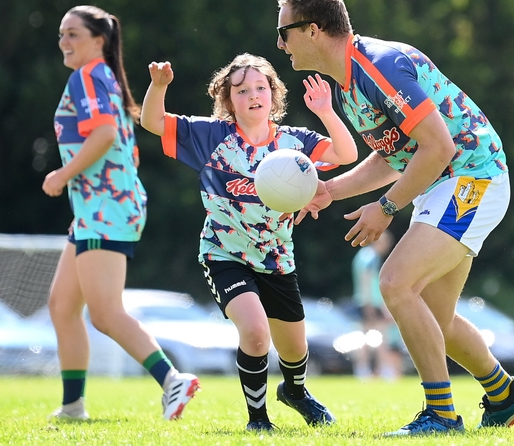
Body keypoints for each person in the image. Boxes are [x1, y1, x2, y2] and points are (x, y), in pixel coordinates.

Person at [278, 0, 514, 435]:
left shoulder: (378, 65)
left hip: (470, 176)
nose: (282, 45)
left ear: (313, 30)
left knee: (394, 283)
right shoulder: (347, 83)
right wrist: (330, 191)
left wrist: (385, 209)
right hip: (446, 181)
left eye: (283, 33)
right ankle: (505, 394)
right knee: (434, 317)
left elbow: (439, 147)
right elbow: (394, 157)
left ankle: (440, 415)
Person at [141, 53, 358, 431]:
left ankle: (295, 392)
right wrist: (159, 87)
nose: (253, 95)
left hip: (276, 258)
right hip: (224, 254)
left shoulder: (294, 142)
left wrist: (325, 110)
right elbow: (152, 122)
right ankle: (258, 420)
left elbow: (347, 153)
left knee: (294, 348)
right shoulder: (210, 136)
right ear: (228, 100)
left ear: (273, 96)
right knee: (256, 334)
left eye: (261, 88)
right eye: (242, 90)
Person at [42, 5, 200, 421]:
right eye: (61, 34)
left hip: (104, 208)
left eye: (72, 34)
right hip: (99, 208)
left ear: (99, 41)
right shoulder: (103, 76)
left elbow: (106, 133)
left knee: (106, 313)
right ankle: (73, 405)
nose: (64, 42)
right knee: (62, 305)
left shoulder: (88, 75)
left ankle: (173, 381)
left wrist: (62, 174)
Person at [351, 229, 402, 381]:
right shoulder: (371, 257)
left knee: (364, 336)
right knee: (381, 337)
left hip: (361, 299)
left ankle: (362, 370)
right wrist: (370, 305)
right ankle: (383, 370)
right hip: (371, 302)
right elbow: (366, 279)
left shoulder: (361, 255)